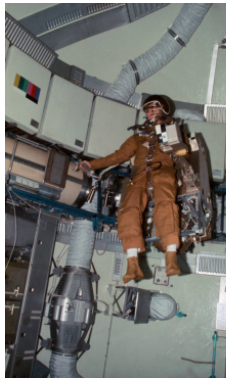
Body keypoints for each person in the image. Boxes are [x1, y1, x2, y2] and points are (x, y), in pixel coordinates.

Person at [78, 95, 183, 281]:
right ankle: (133, 264)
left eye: (154, 109)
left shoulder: (171, 130)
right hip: (141, 175)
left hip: (163, 171)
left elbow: (183, 153)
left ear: (164, 111)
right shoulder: (137, 137)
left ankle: (171, 257)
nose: (150, 112)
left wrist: (170, 138)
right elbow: (118, 156)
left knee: (166, 204)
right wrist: (92, 164)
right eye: (148, 109)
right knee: (128, 210)